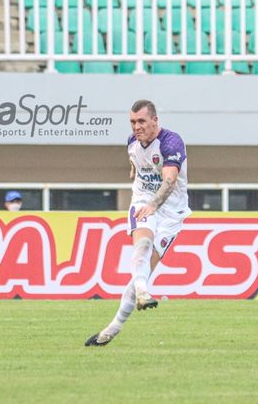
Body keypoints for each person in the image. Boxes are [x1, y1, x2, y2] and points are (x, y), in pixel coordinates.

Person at [85, 99, 191, 347]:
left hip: (172, 213)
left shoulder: (171, 142)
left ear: (155, 120)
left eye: (141, 121)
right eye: (132, 122)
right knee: (142, 246)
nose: (136, 127)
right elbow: (136, 164)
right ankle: (144, 292)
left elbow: (170, 180)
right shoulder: (132, 143)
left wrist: (155, 205)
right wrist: (137, 178)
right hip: (142, 202)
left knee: (143, 270)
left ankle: (112, 329)